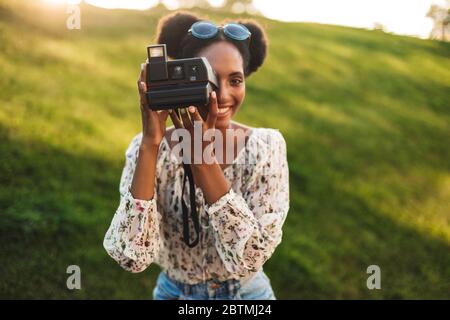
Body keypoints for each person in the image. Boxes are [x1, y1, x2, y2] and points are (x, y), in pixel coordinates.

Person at [103, 11, 289, 300]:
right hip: (173, 293)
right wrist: (151, 143)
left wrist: (201, 160)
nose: (224, 95)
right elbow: (132, 257)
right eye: (211, 78)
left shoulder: (266, 147)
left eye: (236, 80)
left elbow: (250, 259)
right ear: (183, 76)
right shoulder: (149, 148)